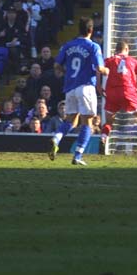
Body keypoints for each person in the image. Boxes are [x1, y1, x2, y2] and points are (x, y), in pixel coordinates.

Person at [49, 17, 109, 166]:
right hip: (86, 87)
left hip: (70, 88)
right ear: (91, 30)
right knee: (87, 123)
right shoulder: (94, 46)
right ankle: (78, 155)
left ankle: (56, 137)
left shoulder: (68, 45)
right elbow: (99, 68)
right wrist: (107, 70)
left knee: (71, 119)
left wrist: (66, 72)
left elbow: (56, 64)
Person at [101, 40, 137, 154]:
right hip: (128, 92)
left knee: (109, 121)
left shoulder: (110, 60)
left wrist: (98, 86)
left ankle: (103, 139)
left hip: (112, 93)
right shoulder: (132, 60)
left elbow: (98, 69)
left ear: (115, 51)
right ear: (127, 50)